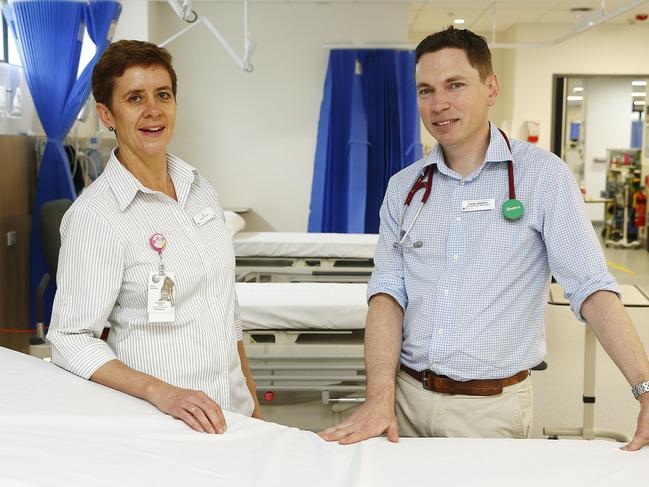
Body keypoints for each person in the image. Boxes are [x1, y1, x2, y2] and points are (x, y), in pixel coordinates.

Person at [319, 27, 649, 450]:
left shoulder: (542, 177)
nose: (439, 104)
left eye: (455, 85)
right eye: (425, 90)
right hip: (404, 403)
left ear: (490, 87)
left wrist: (643, 388)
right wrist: (379, 398)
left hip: (490, 411)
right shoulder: (404, 188)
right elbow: (387, 294)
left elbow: (591, 288)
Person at [47, 40, 261, 434]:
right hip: (164, 422)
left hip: (234, 415)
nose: (153, 110)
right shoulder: (96, 217)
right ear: (107, 114)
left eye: (162, 95)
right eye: (134, 98)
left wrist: (249, 396)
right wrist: (164, 393)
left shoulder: (200, 188)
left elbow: (225, 308)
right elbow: (70, 339)